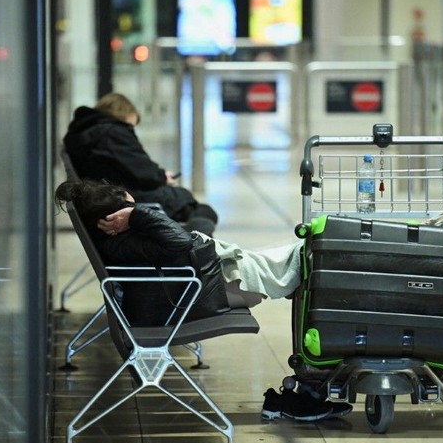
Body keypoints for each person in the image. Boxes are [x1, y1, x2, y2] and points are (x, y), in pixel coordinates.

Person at [54, 178, 352, 422]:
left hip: (194, 290)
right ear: (116, 215)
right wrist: (139, 214)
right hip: (201, 295)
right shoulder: (127, 238)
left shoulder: (121, 240)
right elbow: (183, 242)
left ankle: (310, 388)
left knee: (299, 263)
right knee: (309, 266)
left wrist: (138, 215)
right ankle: (309, 391)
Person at [63, 92, 218, 236]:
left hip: (111, 196)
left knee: (190, 204)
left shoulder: (86, 133)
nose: (131, 131)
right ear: (123, 116)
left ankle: (191, 242)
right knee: (202, 210)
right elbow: (144, 172)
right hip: (129, 198)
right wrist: (162, 177)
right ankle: (194, 246)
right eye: (130, 126)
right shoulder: (111, 134)